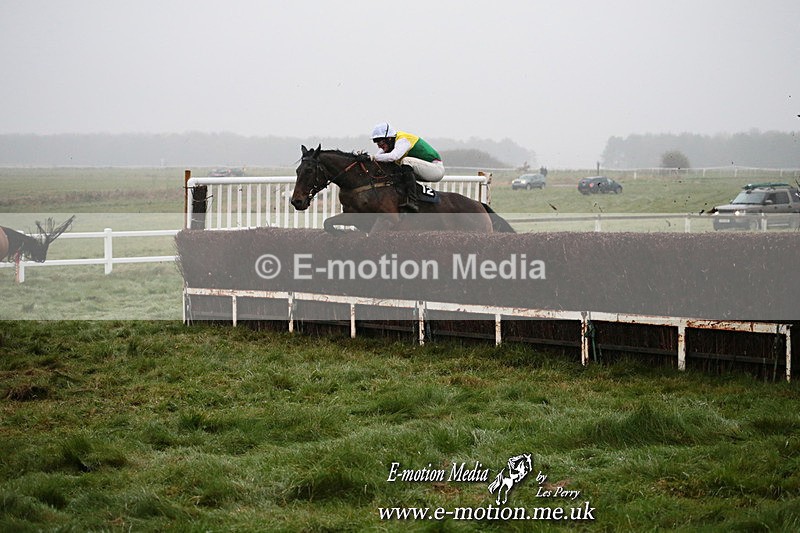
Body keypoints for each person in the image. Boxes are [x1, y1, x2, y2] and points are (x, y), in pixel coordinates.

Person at [370, 122, 444, 212]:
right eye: (376, 142)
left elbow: (393, 156)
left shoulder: (403, 140)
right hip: (423, 169)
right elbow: (376, 158)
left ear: (389, 138)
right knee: (393, 168)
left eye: (380, 141)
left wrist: (372, 157)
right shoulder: (390, 145)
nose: (378, 145)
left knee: (406, 161)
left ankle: (412, 201)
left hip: (435, 169)